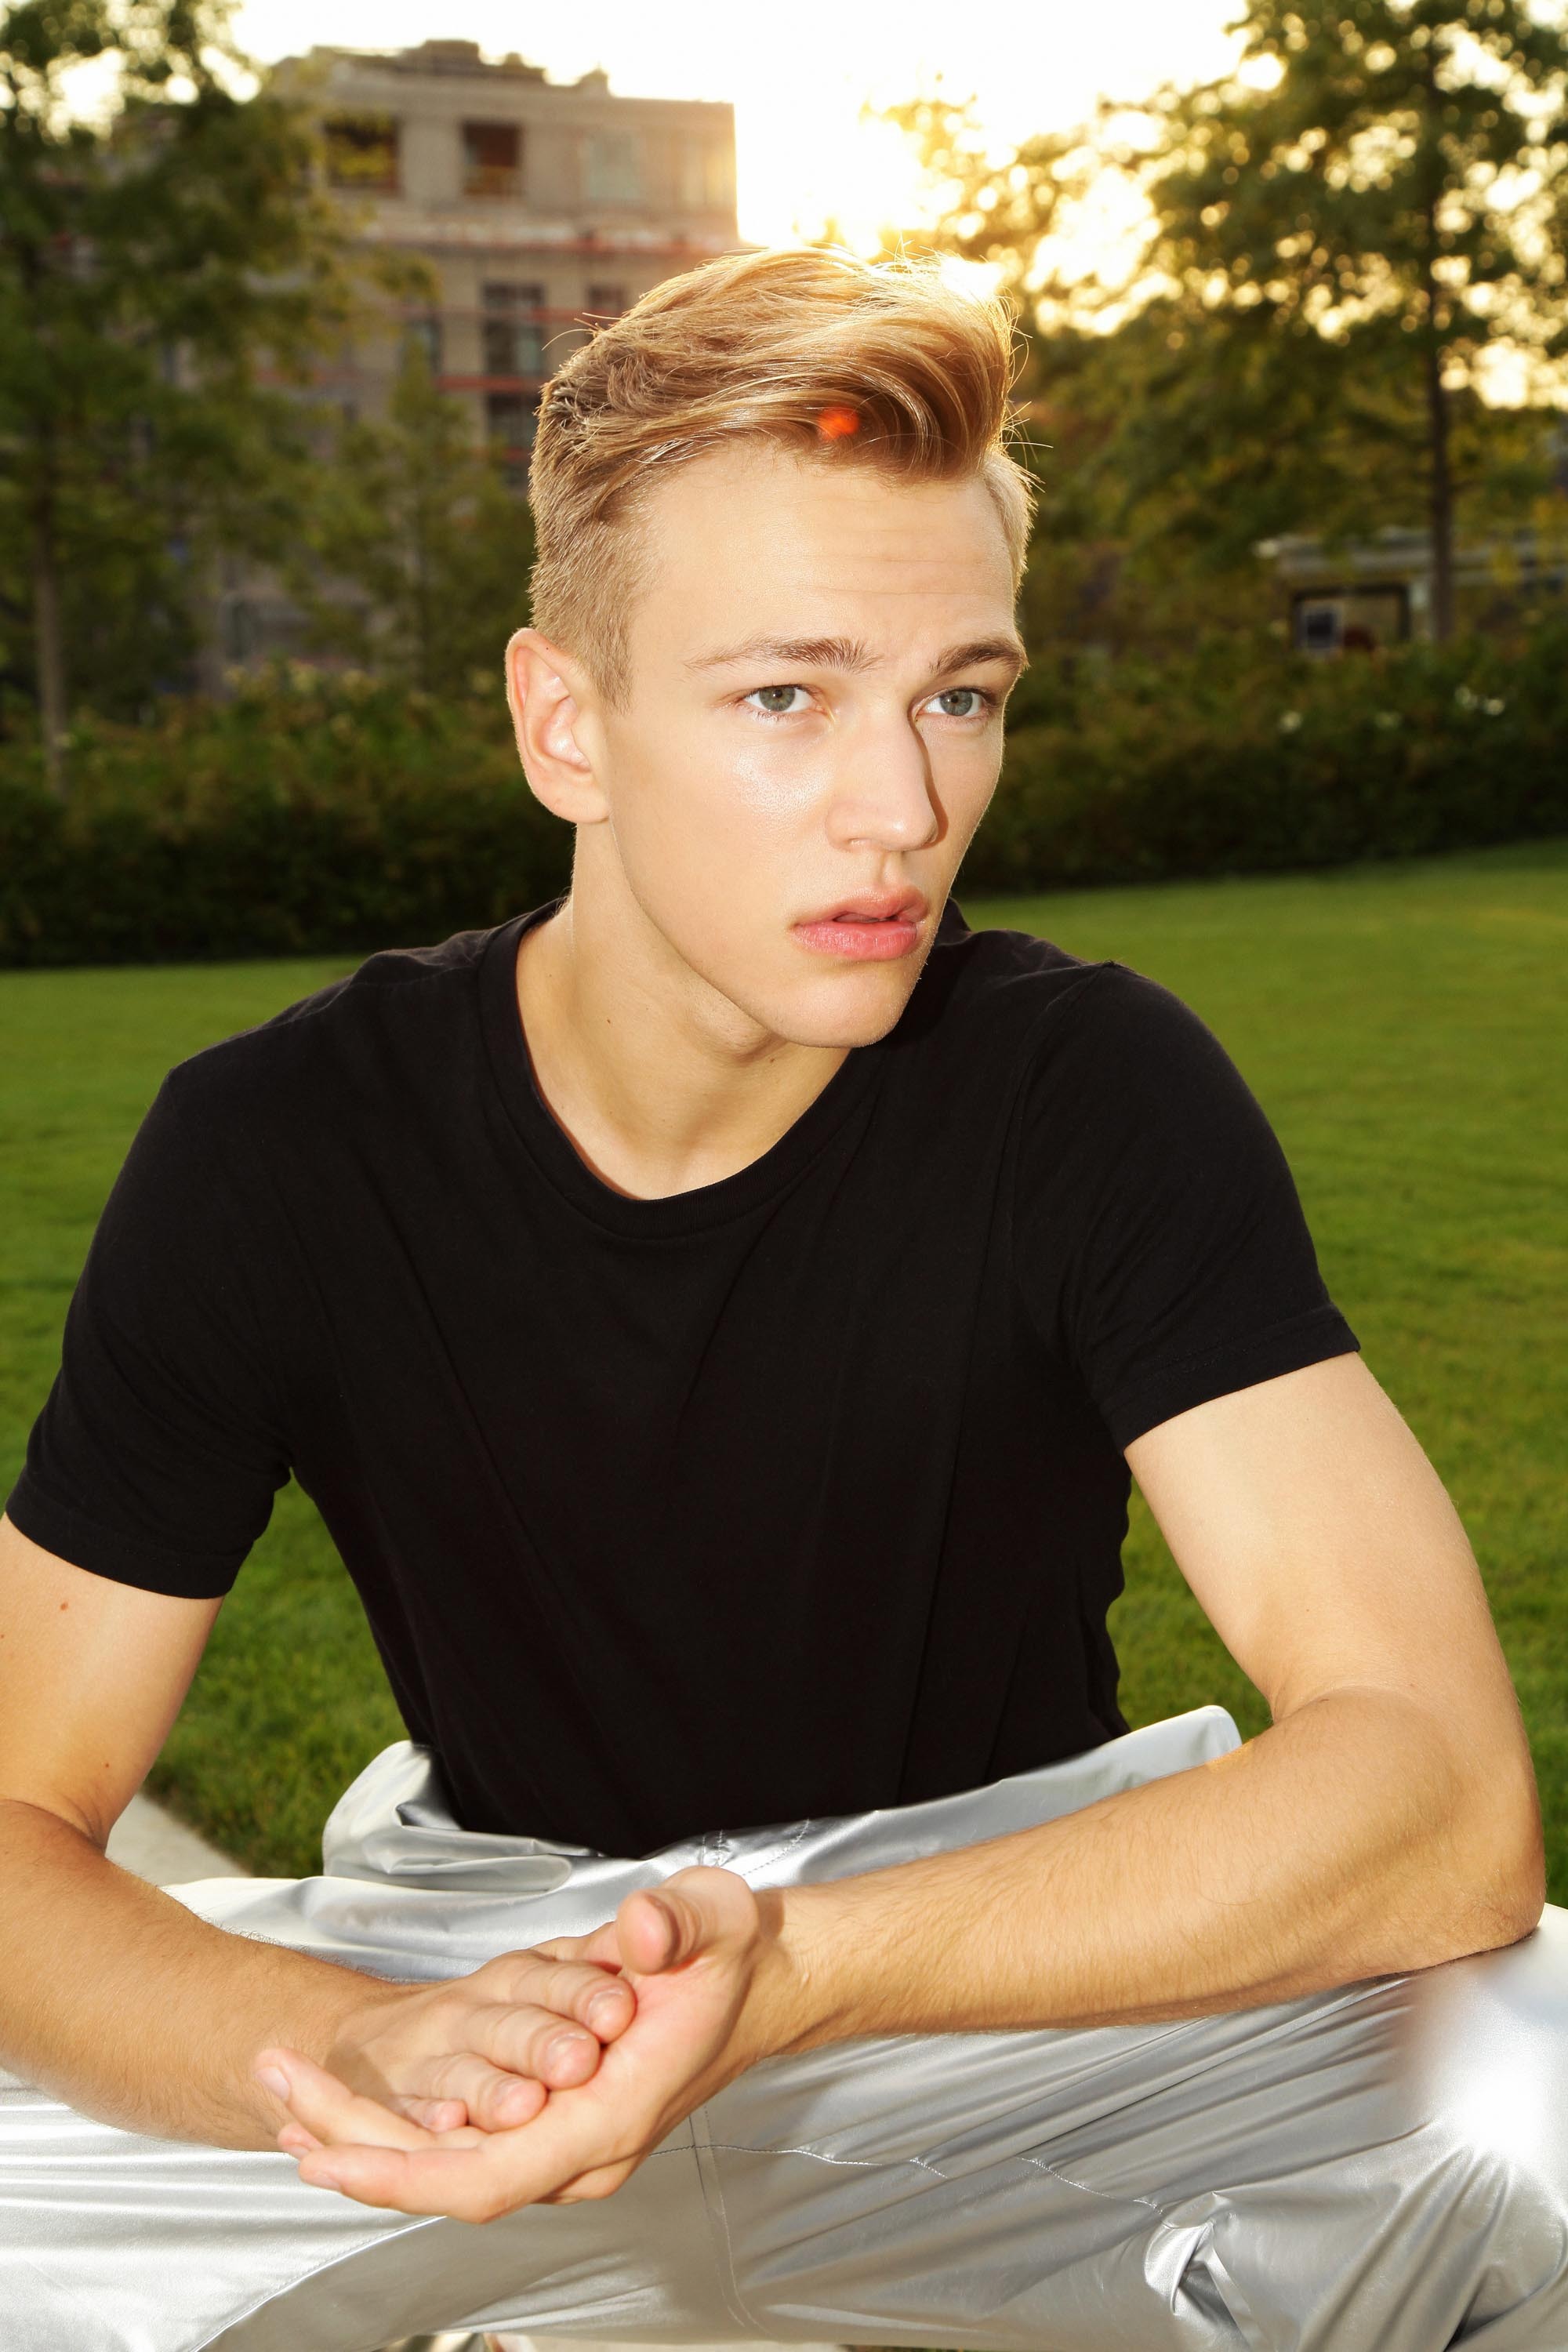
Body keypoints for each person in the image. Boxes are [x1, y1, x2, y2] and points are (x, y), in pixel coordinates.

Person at [0, 247, 1563, 2352]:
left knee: (1544, 2082)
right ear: (565, 724)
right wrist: (348, 2047)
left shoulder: (1086, 1091)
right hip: (498, 1970)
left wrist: (803, 1968)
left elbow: (1440, 1794)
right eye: (785, 698)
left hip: (1019, 1963)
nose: (904, 809)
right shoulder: (279, 1150)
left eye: (961, 695)